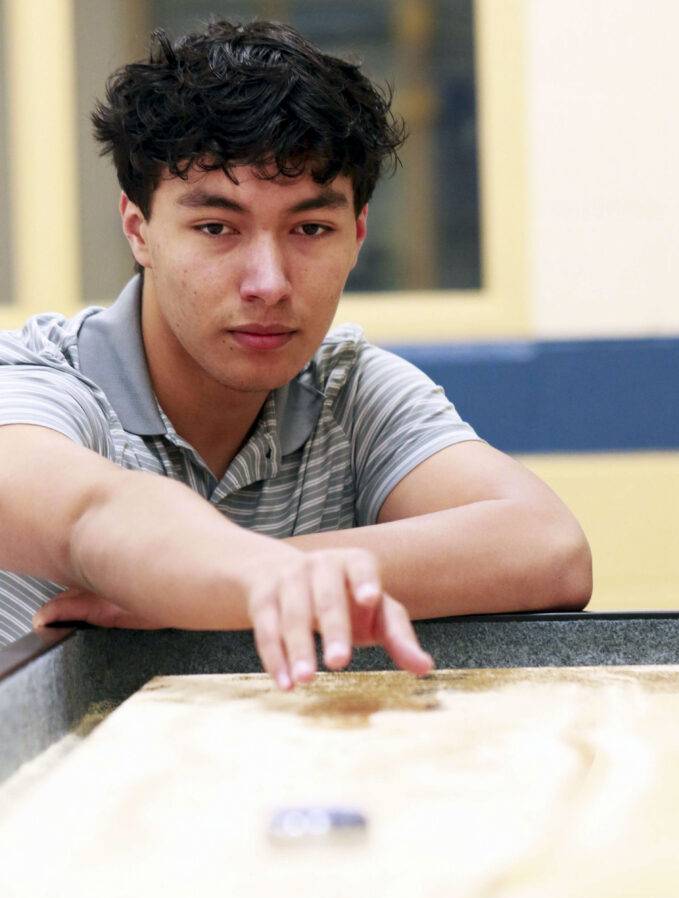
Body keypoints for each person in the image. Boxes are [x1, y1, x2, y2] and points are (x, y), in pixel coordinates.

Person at [0, 19, 591, 687]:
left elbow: (549, 549)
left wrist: (221, 586)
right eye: (216, 228)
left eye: (311, 228)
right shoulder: (36, 382)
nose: (269, 283)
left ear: (359, 232)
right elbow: (93, 514)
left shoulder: (350, 389)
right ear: (140, 230)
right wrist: (252, 580)